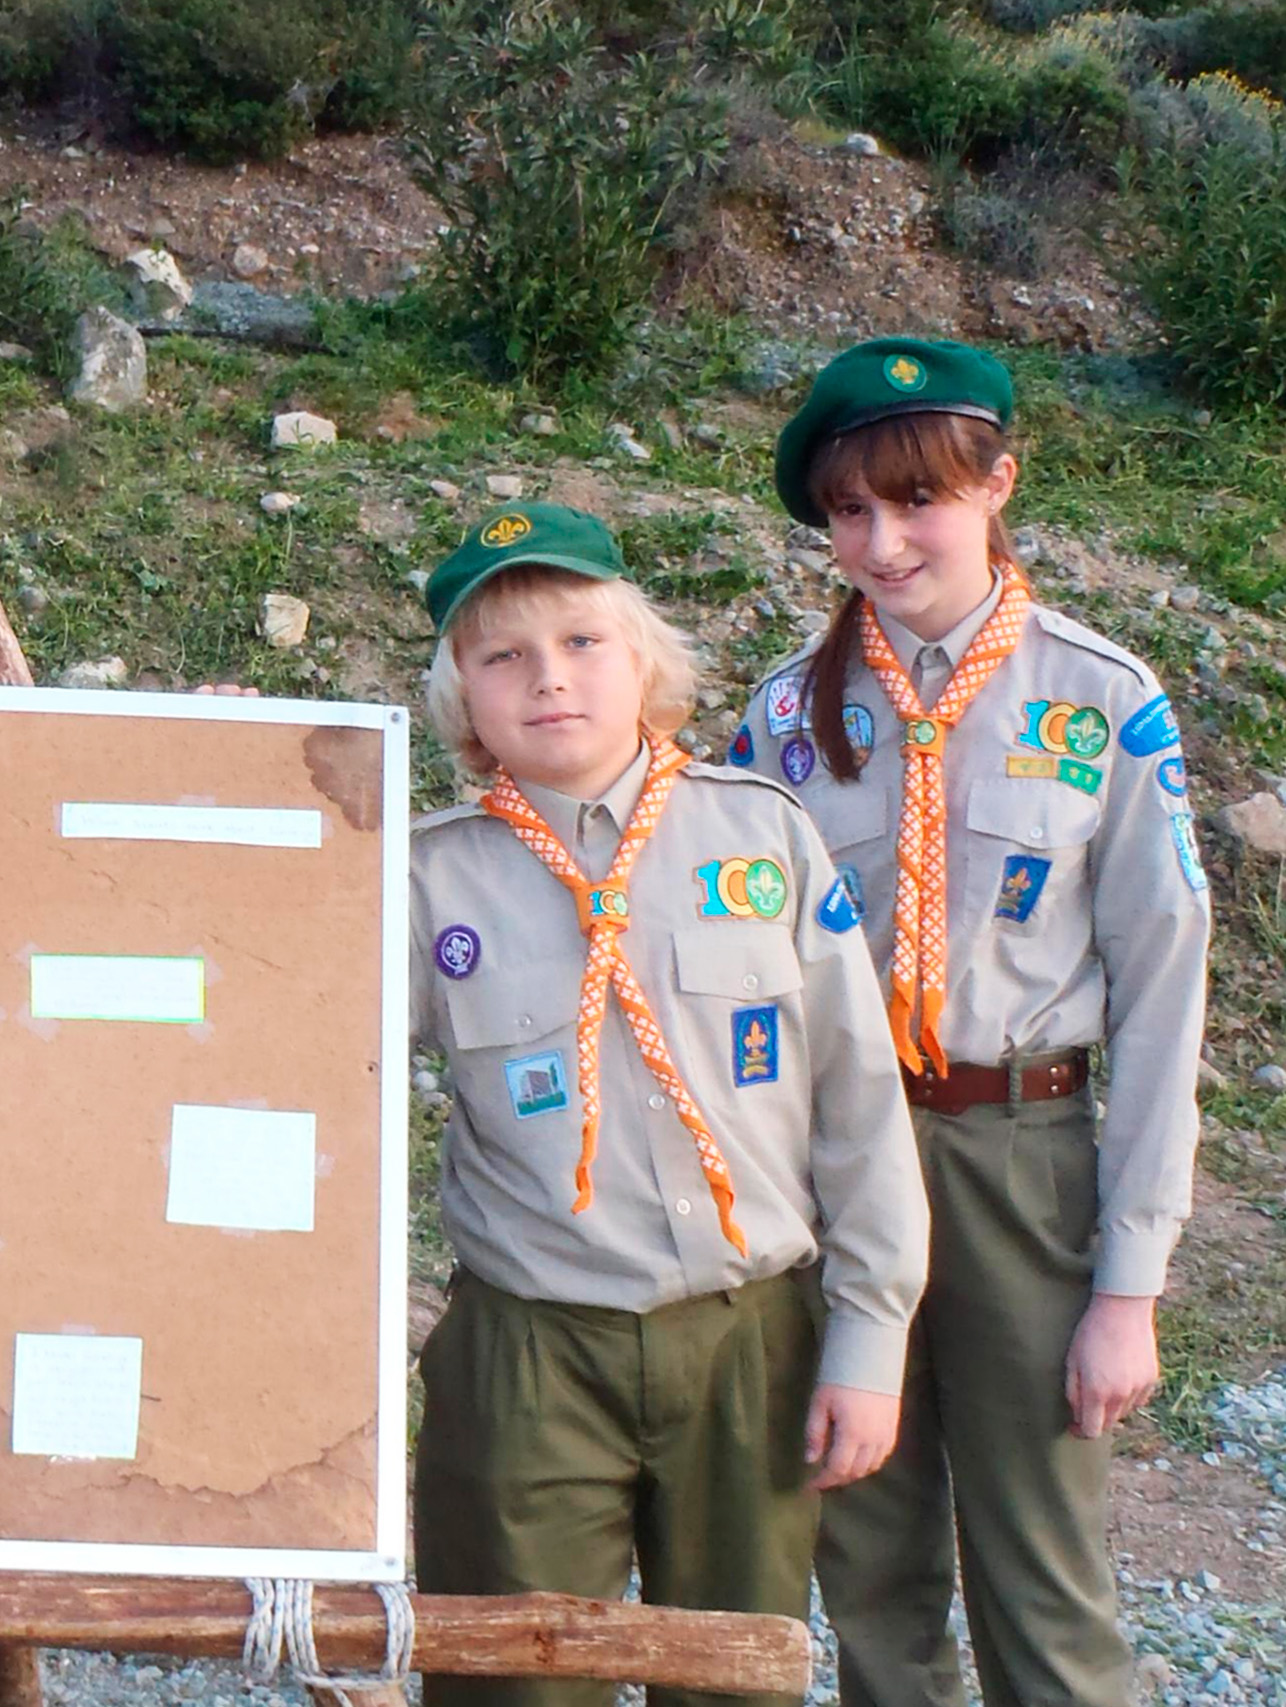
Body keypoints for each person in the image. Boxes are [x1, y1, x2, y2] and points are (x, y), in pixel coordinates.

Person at [735, 336, 1210, 1707]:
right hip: (837, 1165)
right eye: (849, 511)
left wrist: (1129, 1286)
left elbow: (1164, 988)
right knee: (867, 1567)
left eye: (918, 500)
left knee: (1043, 1579)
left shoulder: (1103, 700)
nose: (882, 543)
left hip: (1022, 1158)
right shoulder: (785, 716)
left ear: (999, 483)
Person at [410, 503, 928, 1707]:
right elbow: (320, 1082)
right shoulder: (421, 876)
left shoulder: (760, 834)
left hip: (748, 1340)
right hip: (531, 1348)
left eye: (582, 641)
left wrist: (868, 1340)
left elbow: (858, 1102)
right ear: (463, 700)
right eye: (503, 656)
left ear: (643, 660)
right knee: (512, 1681)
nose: (549, 678)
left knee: (733, 1675)